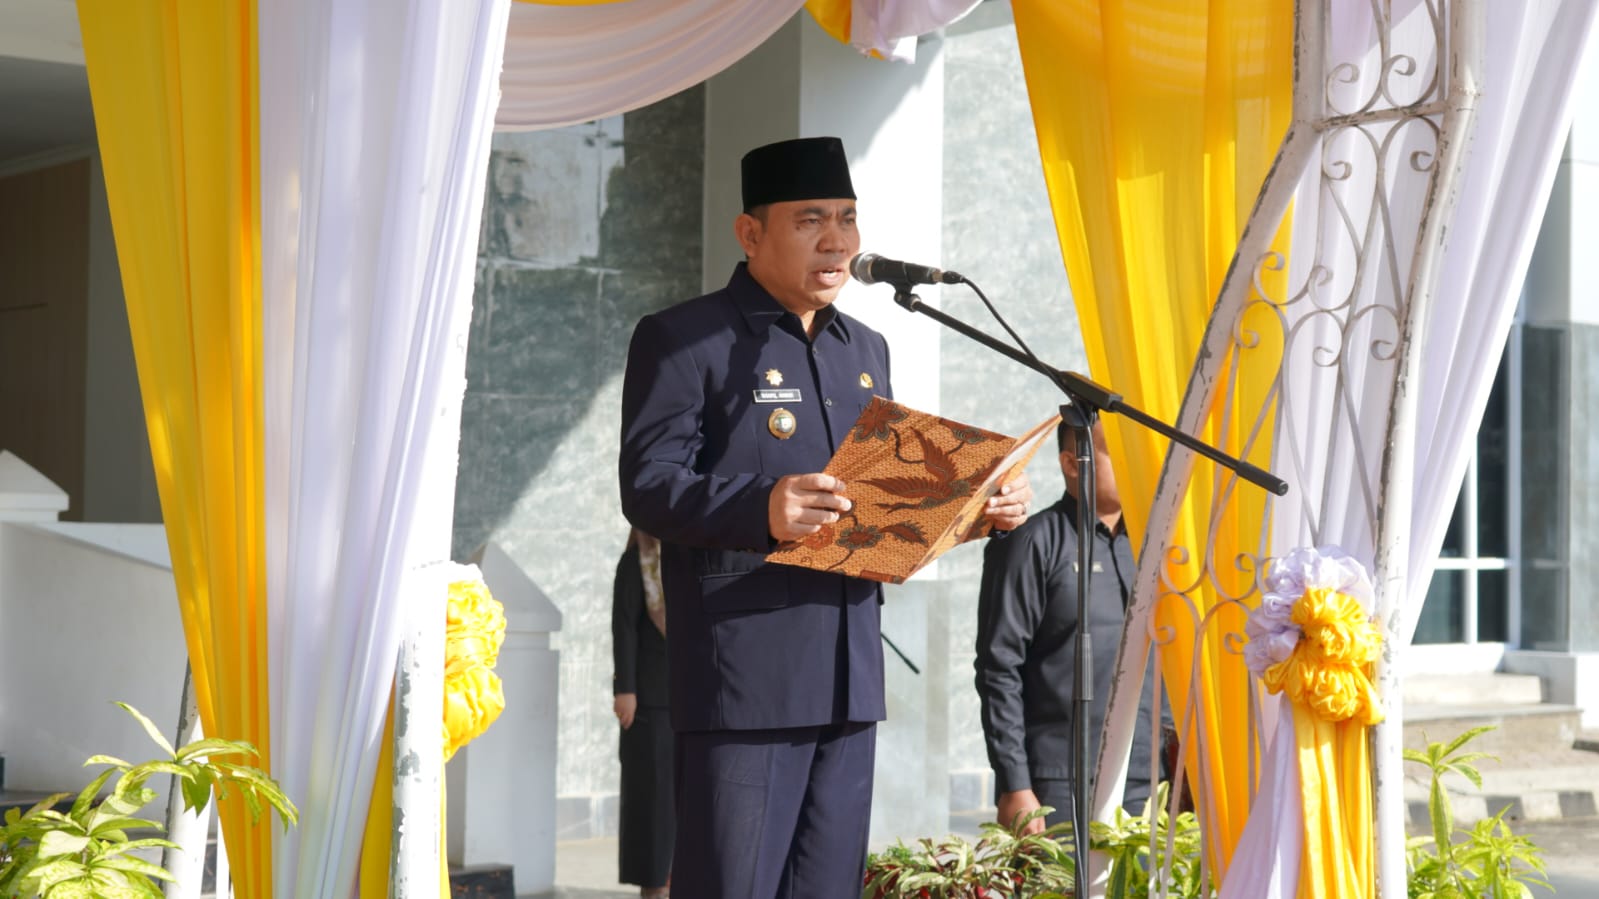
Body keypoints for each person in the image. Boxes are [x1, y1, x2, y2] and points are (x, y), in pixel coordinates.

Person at [618, 136, 1032, 898]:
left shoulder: (863, 347)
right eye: (810, 219)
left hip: (846, 678)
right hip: (745, 679)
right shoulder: (685, 339)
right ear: (751, 234)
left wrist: (966, 514)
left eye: (846, 217)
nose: (838, 239)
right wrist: (758, 506)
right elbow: (646, 485)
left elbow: (874, 507)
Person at [974, 419, 1165, 834]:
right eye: (1116, 451)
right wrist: (1015, 784)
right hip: (1059, 783)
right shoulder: (1031, 542)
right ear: (1072, 463)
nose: (1134, 463)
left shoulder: (1159, 545)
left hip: (1150, 780)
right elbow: (998, 668)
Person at [612, 528, 672, 898]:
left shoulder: (683, 561)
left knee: (680, 798)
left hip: (685, 700)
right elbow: (624, 627)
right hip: (648, 702)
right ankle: (653, 886)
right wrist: (625, 690)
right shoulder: (636, 561)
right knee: (653, 800)